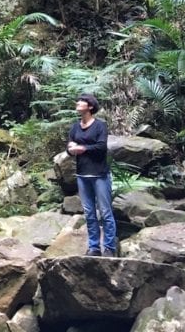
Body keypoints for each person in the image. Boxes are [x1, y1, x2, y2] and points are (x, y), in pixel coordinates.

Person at [67, 93, 117, 257]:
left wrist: (82, 148)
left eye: (81, 101)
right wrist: (71, 148)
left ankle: (109, 247)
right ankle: (94, 247)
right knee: (89, 213)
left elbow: (101, 147)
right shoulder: (75, 127)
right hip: (82, 175)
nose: (78, 103)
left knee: (105, 212)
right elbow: (69, 148)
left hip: (99, 174)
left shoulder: (100, 126)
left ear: (90, 107)